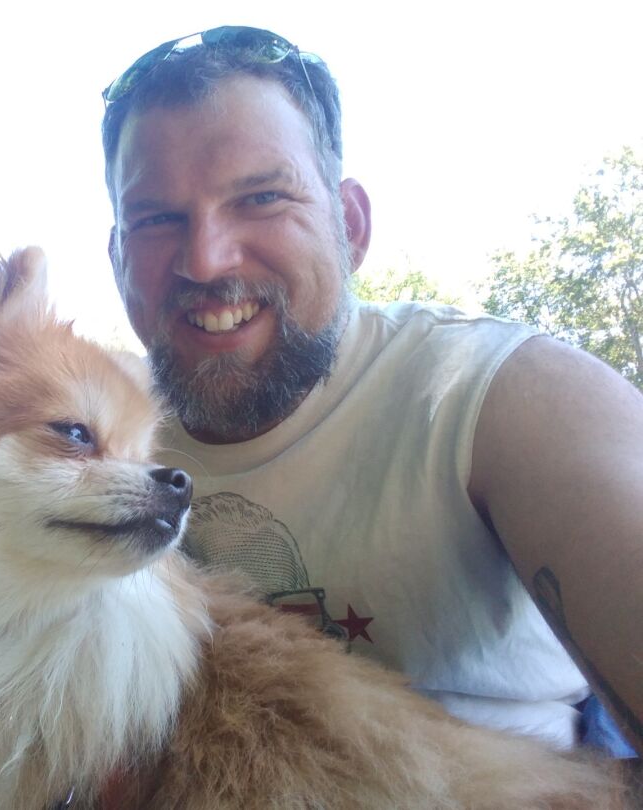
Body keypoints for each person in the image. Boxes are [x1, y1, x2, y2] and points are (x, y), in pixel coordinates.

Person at [101, 26, 642, 759]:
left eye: (261, 197)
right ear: (117, 256)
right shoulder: (85, 442)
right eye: (156, 219)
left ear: (350, 225)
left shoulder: (493, 395)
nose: (205, 259)